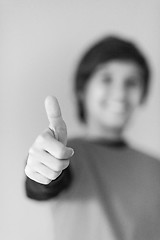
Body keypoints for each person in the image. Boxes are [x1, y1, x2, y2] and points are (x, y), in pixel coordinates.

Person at [25, 36, 160, 240]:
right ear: (82, 90)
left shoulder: (154, 167)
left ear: (142, 95)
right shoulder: (68, 155)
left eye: (131, 82)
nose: (120, 92)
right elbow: (43, 183)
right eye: (107, 78)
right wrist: (41, 169)